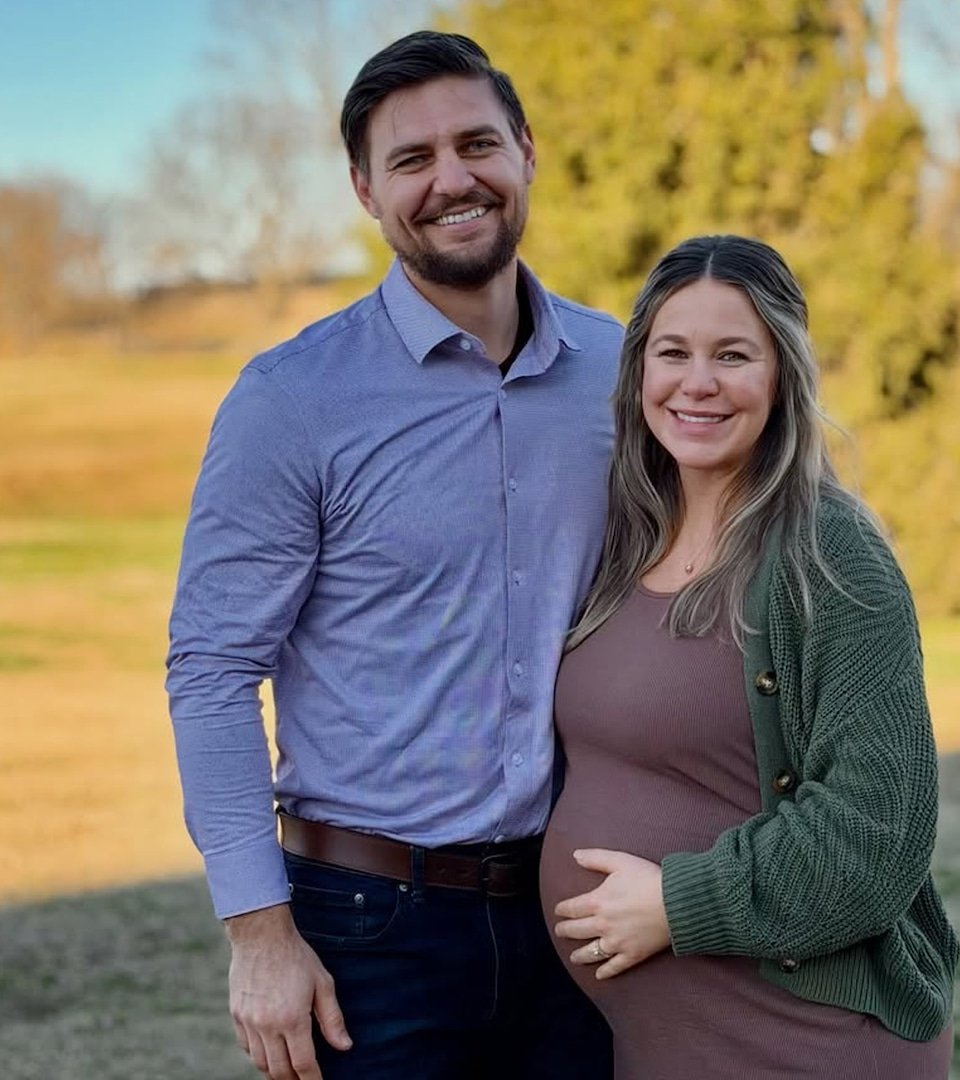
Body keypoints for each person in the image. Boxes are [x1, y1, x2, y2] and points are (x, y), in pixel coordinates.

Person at [166, 30, 621, 1080]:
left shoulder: (620, 368)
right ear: (366, 190)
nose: (451, 180)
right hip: (368, 928)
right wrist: (258, 932)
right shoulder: (291, 401)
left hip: (579, 907)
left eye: (477, 144)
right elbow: (213, 668)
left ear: (526, 152)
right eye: (412, 159)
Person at [538, 234, 959, 1079]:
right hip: (666, 1047)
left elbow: (877, 834)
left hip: (798, 1041)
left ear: (783, 376)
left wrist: (676, 904)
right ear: (638, 373)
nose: (697, 383)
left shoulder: (829, 556)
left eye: (733, 355)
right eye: (673, 353)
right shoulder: (629, 540)